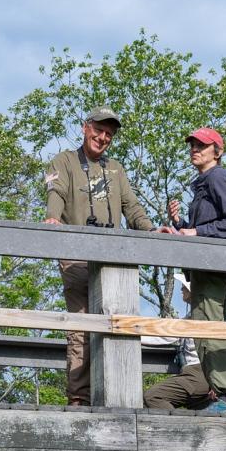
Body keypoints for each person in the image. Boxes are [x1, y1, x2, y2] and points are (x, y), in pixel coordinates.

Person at [44, 107, 156, 405]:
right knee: (81, 327)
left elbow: (132, 208)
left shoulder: (116, 168)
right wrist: (53, 218)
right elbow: (55, 192)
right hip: (77, 257)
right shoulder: (65, 161)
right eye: (99, 130)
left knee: (118, 324)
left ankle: (116, 396)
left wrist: (152, 230)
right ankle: (79, 399)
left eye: (109, 134)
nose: (103, 137)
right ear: (85, 128)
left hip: (115, 262)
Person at [162, 127, 226, 412]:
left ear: (217, 152)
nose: (195, 149)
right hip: (202, 268)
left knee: (211, 329)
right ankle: (218, 393)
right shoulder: (202, 183)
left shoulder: (218, 176)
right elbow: (201, 231)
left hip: (215, 267)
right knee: (202, 330)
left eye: (202, 145)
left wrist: (195, 231)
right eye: (193, 145)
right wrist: (180, 224)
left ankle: (225, 397)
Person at [142, 274, 212, 410]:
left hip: (198, 375)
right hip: (194, 376)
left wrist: (218, 384)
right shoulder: (191, 317)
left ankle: (178, 430)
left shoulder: (202, 317)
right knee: (149, 400)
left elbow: (218, 349)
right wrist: (135, 337)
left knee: (152, 397)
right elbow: (164, 336)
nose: (181, 289)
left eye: (184, 286)